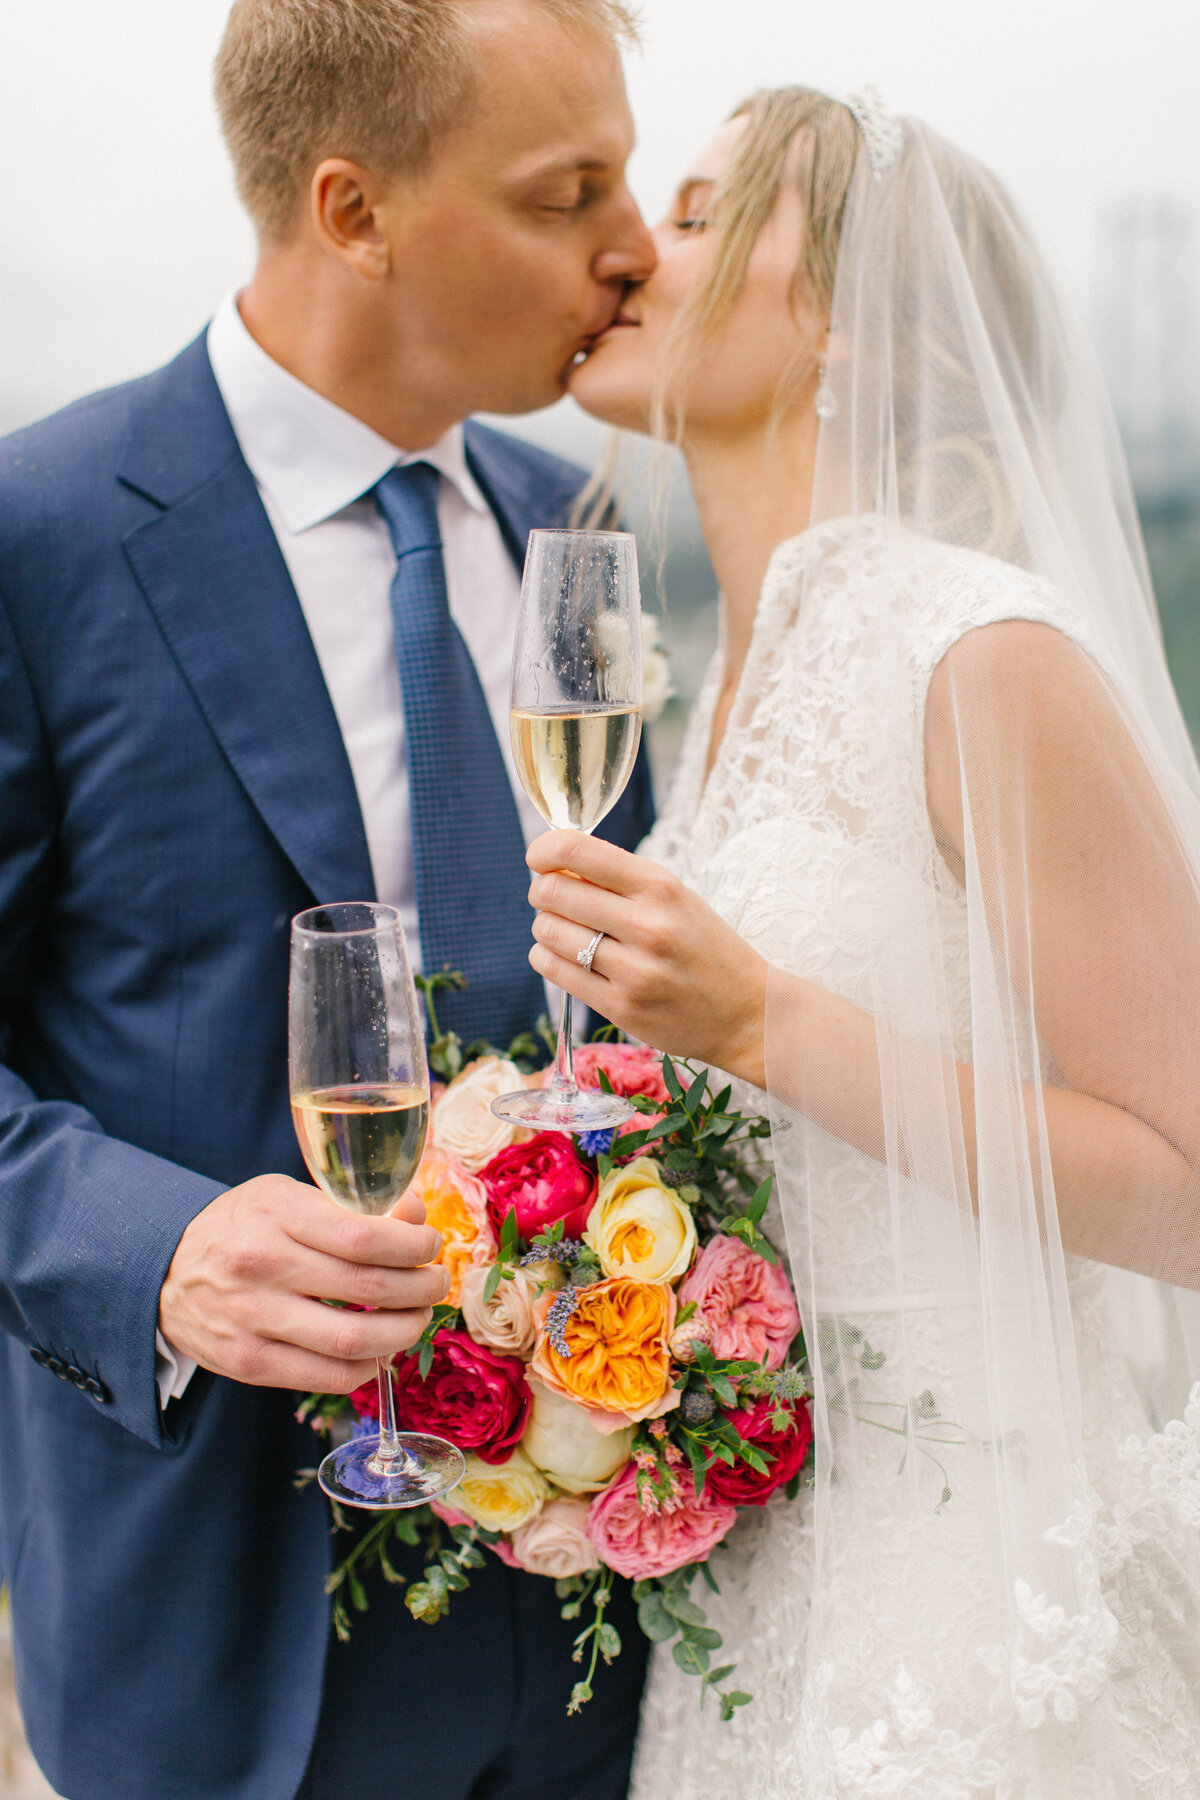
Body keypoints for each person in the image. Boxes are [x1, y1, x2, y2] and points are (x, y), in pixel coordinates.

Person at [0, 3, 657, 1797]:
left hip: (612, 1627)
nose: (635, 250)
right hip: (216, 1618)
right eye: (567, 192)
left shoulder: (575, 526)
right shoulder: (39, 530)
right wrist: (155, 1252)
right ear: (353, 210)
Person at [531, 86, 1200, 1794]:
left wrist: (763, 1023)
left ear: (832, 303)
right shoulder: (730, 684)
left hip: (972, 1624)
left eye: (692, 213)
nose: (626, 253)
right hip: (756, 1630)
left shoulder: (977, 655)